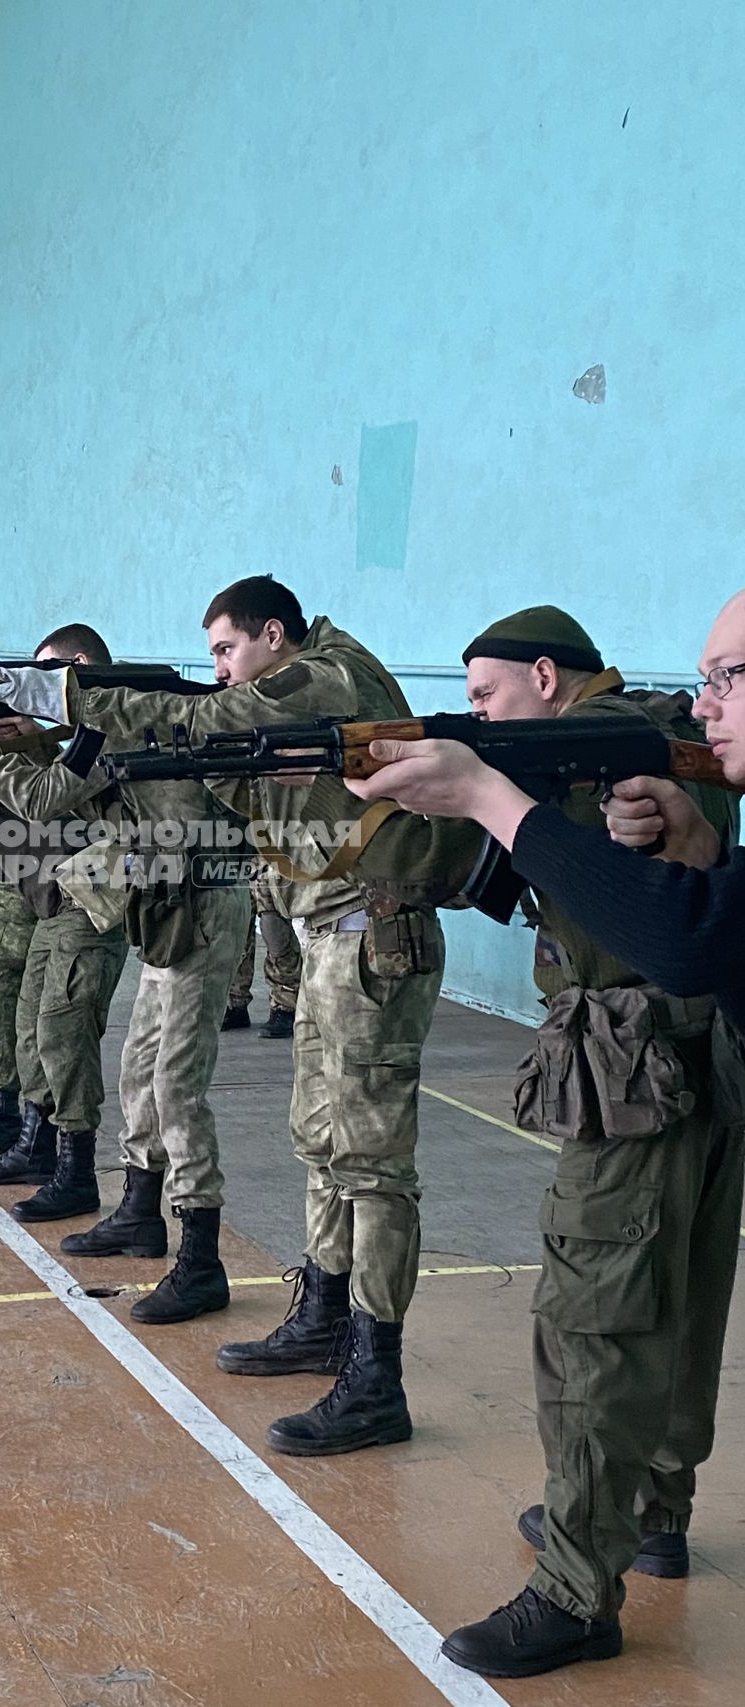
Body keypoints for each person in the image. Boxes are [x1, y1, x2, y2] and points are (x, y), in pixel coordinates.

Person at [344, 599, 744, 1679]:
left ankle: (575, 1587)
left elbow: (665, 929)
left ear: (544, 679)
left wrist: (487, 792)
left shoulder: (633, 748)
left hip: (635, 1075)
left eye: (483, 697)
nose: (704, 704)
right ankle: (647, 1512)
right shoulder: (641, 759)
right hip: (691, 1066)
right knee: (673, 1299)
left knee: (592, 1322)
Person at [0, 578, 449, 1427]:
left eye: (227, 650)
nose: (221, 670)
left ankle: (376, 1371)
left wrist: (65, 695)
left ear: (276, 635)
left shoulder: (330, 674)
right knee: (321, 1142)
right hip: (328, 938)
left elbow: (208, 722)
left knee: (370, 1165)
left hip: (368, 932)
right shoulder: (290, 701)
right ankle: (324, 1315)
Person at [0, 623, 131, 1215]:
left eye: (42, 678)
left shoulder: (102, 730)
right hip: (53, 901)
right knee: (33, 1030)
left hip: (89, 906)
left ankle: (76, 1170)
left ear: (79, 668)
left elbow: (45, 798)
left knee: (65, 1039)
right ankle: (37, 1142)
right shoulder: (70, 735)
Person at [222, 875, 302, 1037]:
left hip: (270, 857)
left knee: (274, 924)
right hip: (239, 856)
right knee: (235, 918)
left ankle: (285, 1006)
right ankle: (235, 1003)